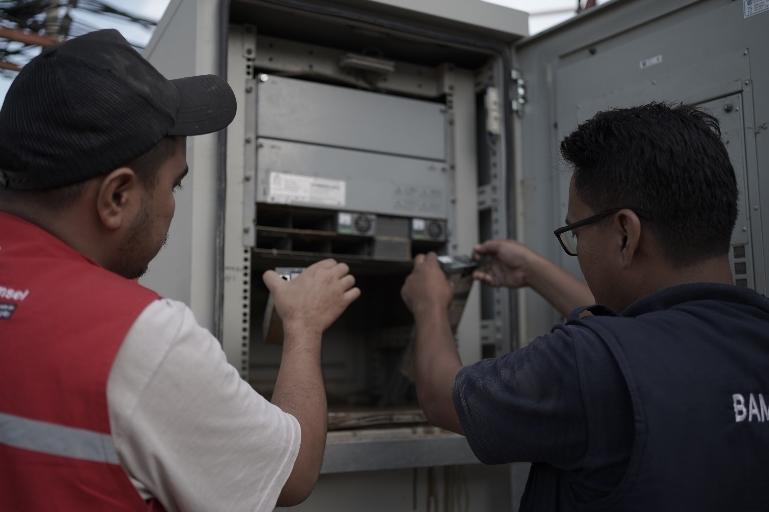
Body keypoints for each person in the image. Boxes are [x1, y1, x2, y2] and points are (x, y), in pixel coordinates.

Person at [0, 30, 359, 511]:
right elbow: (293, 475)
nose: (171, 206)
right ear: (117, 197)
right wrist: (303, 325)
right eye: (175, 185)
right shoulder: (139, 340)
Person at [401, 103, 769, 511]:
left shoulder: (583, 364)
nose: (577, 248)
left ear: (625, 233)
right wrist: (535, 271)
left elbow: (440, 396)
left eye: (575, 232)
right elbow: (637, 345)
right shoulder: (754, 336)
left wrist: (430, 304)